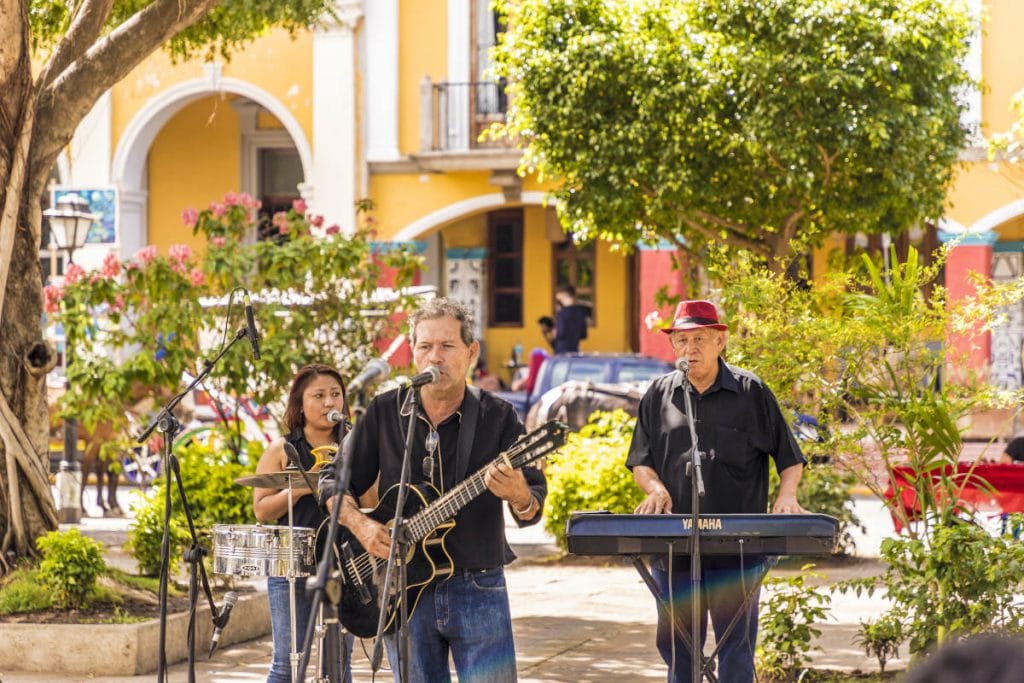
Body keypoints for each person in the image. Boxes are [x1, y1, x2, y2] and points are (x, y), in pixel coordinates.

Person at [319, 297, 546, 683]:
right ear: (413, 352)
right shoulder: (386, 410)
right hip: (400, 590)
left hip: (477, 583)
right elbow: (332, 483)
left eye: (447, 346)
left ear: (471, 352)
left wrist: (519, 493)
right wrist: (361, 526)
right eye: (425, 346)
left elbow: (532, 506)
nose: (434, 357)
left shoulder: (499, 416)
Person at [626, 299, 807, 683]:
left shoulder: (751, 391)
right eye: (681, 340)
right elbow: (641, 460)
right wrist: (654, 487)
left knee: (736, 652)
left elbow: (790, 457)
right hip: (675, 548)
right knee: (679, 651)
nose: (689, 349)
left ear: (720, 341)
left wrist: (786, 496)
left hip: (738, 548)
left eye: (699, 339)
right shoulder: (658, 395)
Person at [252, 364, 354, 683]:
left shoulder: (357, 444)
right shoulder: (282, 449)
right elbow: (261, 510)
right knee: (289, 662)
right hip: (290, 563)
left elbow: (373, 499)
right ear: (300, 403)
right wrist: (294, 491)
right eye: (319, 395)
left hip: (343, 561)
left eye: (335, 395)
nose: (329, 403)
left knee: (337, 665)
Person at [543, 285, 588, 354]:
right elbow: (584, 335)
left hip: (562, 351)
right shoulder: (580, 312)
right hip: (574, 350)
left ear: (565, 294)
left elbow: (560, 333)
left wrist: (554, 332)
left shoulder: (562, 313)